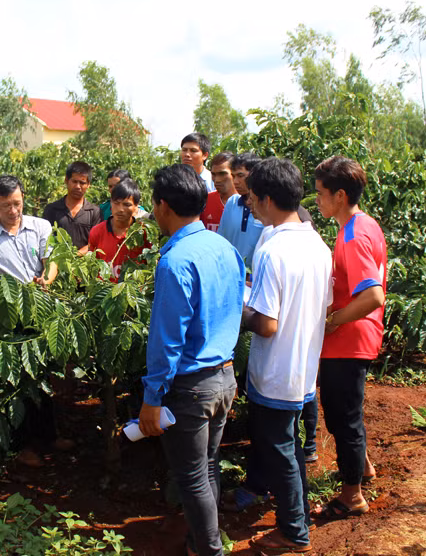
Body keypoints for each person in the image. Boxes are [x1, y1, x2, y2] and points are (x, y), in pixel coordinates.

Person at [139, 164, 243, 556]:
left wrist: (153, 398)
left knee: (193, 476)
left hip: (191, 387)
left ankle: (210, 549)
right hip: (224, 377)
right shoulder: (224, 247)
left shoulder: (175, 261)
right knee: (209, 464)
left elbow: (167, 340)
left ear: (163, 206)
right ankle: (202, 542)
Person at [241, 158, 332, 553]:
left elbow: (266, 323)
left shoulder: (272, 249)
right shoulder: (317, 243)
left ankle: (295, 531)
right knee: (288, 445)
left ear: (265, 199)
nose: (252, 207)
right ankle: (298, 513)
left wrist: (234, 308)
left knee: (280, 449)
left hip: (275, 369)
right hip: (303, 367)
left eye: (252, 199)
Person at [0, 175, 62, 466]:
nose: (13, 210)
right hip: (9, 320)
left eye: (17, 203)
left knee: (44, 378)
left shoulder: (41, 227)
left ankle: (50, 437)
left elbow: (52, 259)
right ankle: (20, 447)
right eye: (6, 205)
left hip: (41, 312)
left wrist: (47, 278)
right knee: (16, 382)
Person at [312, 155, 386, 520]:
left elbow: (373, 295)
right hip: (353, 338)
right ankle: (363, 467)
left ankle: (351, 495)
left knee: (343, 418)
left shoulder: (354, 235)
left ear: (340, 195)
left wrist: (334, 321)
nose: (317, 201)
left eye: (321, 194)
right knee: (346, 413)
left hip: (349, 340)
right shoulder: (363, 224)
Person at [81, 178, 149, 281]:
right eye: (116, 203)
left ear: (136, 206)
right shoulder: (97, 232)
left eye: (127, 205)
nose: (120, 209)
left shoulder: (143, 232)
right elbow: (93, 266)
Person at [217, 153, 265, 271]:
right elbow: (222, 239)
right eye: (233, 176)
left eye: (240, 176)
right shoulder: (232, 203)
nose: (236, 181)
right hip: (231, 271)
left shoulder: (266, 206)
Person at [42, 161, 102, 250]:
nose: (78, 186)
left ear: (88, 184)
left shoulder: (95, 212)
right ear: (66, 180)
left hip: (85, 263)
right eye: (74, 181)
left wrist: (76, 256)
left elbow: (96, 242)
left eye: (82, 183)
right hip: (57, 262)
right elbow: (45, 239)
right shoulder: (52, 209)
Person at [200, 152, 236, 232]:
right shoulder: (205, 201)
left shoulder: (248, 203)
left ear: (234, 173)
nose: (217, 180)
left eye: (222, 174)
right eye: (214, 174)